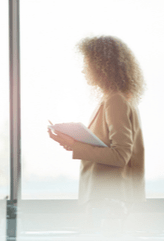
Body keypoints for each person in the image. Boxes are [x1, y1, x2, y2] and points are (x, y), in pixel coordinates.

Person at [48, 36, 146, 231]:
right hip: (110, 201)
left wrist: (75, 145)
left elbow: (120, 156)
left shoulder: (115, 101)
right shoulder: (114, 99)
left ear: (102, 67)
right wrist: (72, 142)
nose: (84, 70)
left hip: (110, 201)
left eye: (87, 64)